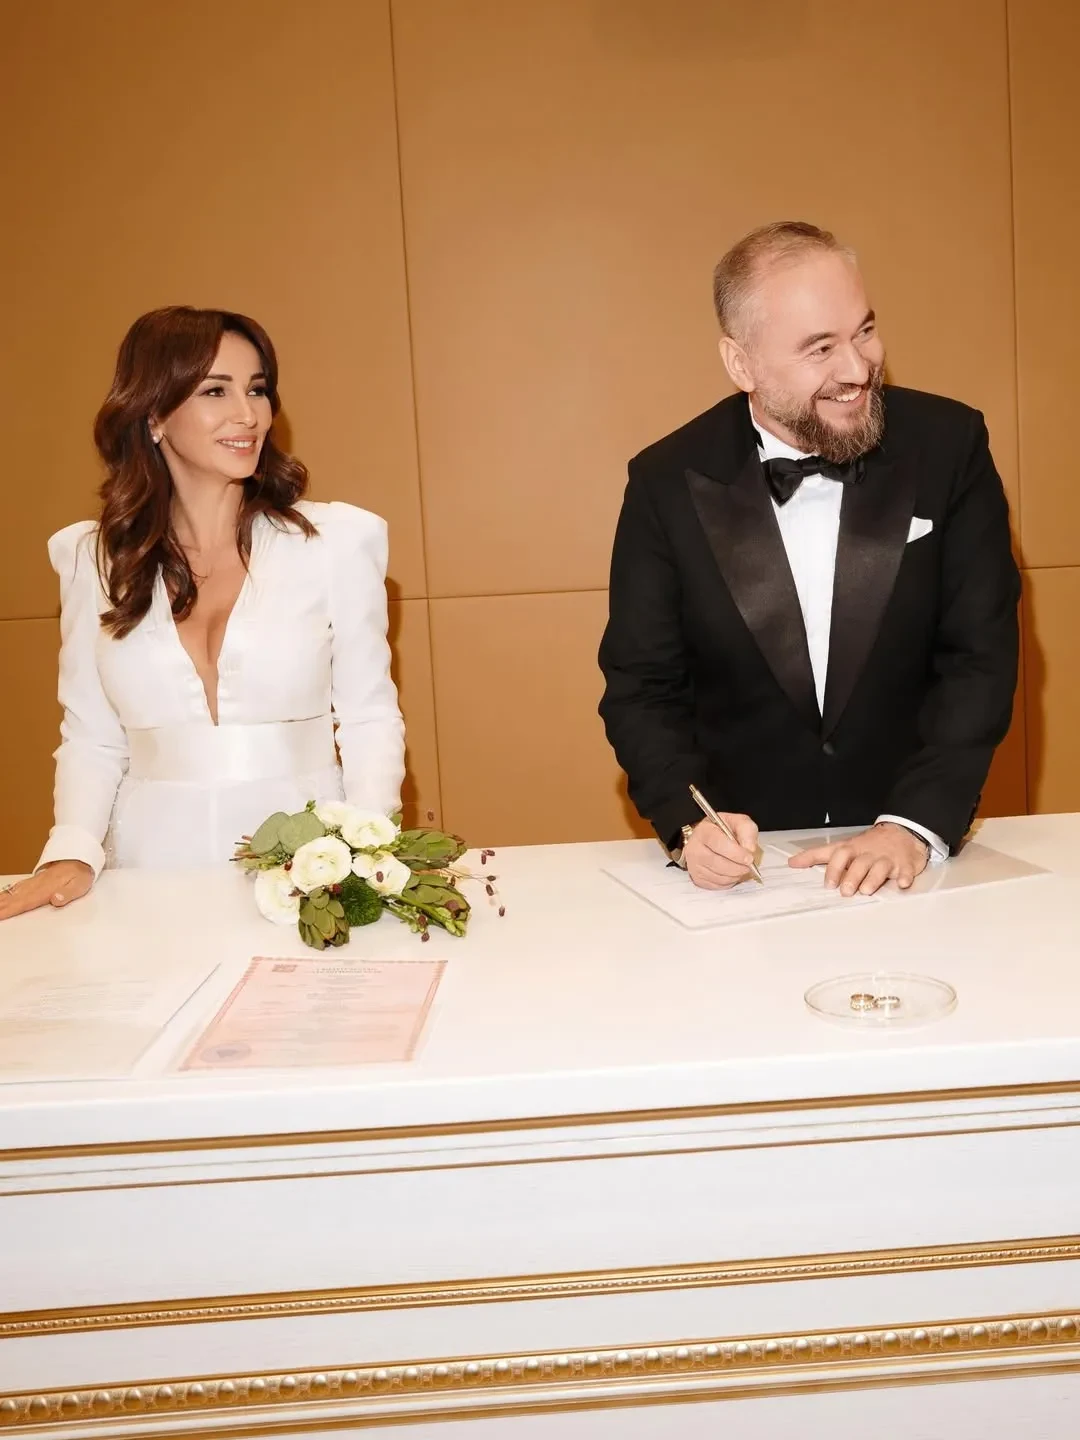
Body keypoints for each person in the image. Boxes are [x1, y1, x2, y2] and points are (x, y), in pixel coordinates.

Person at [599, 221, 1020, 898]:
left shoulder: (951, 445)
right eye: (820, 348)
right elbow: (642, 688)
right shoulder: (664, 481)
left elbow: (980, 657)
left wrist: (911, 826)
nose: (857, 368)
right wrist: (689, 823)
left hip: (915, 861)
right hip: (748, 878)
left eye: (864, 331)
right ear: (742, 364)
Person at [0, 307, 404, 919]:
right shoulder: (94, 559)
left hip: (309, 867)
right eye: (216, 391)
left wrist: (369, 855)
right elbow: (91, 736)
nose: (249, 414)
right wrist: (72, 850)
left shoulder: (336, 543)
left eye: (257, 389)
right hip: (147, 870)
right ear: (155, 415)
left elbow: (369, 716)